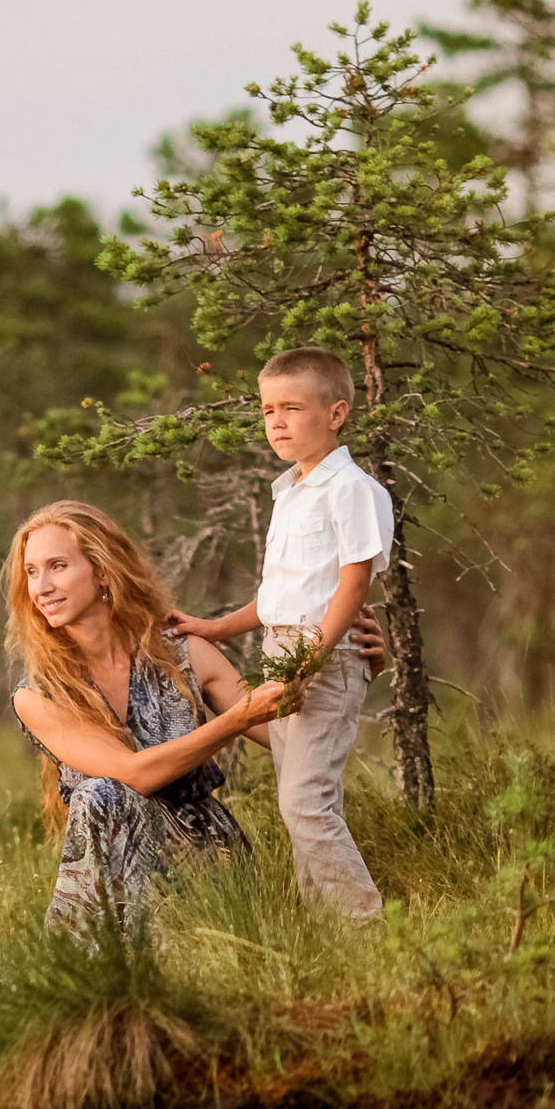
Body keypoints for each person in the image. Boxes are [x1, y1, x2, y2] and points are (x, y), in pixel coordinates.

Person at [4, 499, 384, 927]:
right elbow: (133, 775)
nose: (41, 586)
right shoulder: (37, 695)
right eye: (32, 572)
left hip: (205, 857)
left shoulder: (181, 651)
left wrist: (347, 671)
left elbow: (290, 736)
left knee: (103, 797)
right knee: (101, 795)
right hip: (117, 864)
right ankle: (109, 969)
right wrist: (235, 720)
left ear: (103, 570)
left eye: (57, 565)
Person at [166, 347, 393, 920]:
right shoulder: (289, 491)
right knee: (302, 799)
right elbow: (279, 597)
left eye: (292, 408)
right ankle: (324, 924)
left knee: (304, 801)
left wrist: (317, 651)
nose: (277, 423)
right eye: (268, 411)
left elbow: (353, 581)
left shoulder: (351, 489)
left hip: (324, 654)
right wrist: (213, 626)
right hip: (282, 649)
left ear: (336, 413)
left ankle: (363, 925)